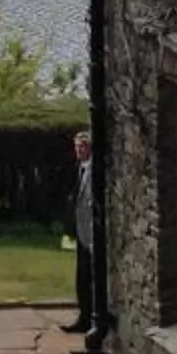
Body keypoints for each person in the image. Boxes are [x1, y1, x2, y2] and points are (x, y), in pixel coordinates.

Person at [70, 127, 99, 342]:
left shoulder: (94, 170)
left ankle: (92, 319)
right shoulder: (79, 169)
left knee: (91, 277)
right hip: (80, 232)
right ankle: (83, 317)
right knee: (81, 277)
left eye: (83, 146)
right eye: (77, 146)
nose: (79, 150)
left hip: (92, 232)